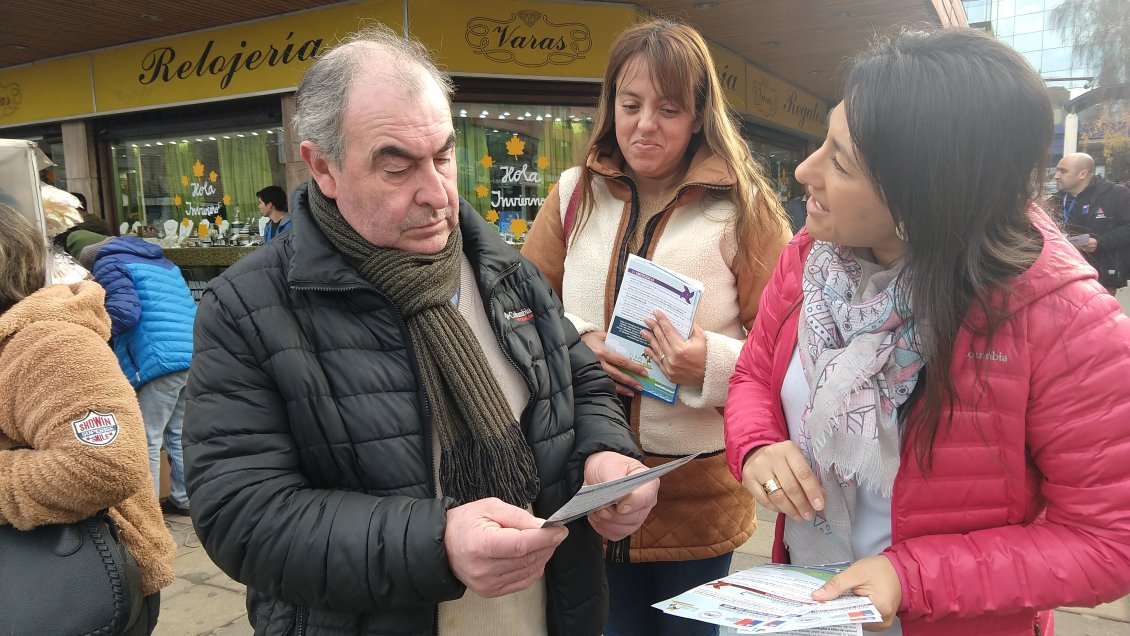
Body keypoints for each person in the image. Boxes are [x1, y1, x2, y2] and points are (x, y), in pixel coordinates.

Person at [182, 24, 658, 636]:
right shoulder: (245, 308)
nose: (436, 194)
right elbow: (242, 516)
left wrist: (608, 457)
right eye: (396, 166)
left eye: (442, 155)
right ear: (321, 166)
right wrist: (437, 544)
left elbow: (581, 382)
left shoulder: (503, 269)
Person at [725, 28, 1130, 636]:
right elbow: (754, 375)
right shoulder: (810, 260)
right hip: (805, 609)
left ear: (924, 195)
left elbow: (1107, 540)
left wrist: (910, 578)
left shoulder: (1062, 320)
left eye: (839, 161)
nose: (806, 171)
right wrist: (758, 443)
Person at [522, 20, 792, 636]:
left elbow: (786, 345)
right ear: (610, 105)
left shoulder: (743, 211)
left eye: (668, 108)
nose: (645, 124)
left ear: (698, 116)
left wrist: (711, 363)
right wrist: (577, 344)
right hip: (586, 476)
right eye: (631, 104)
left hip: (692, 493)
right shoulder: (573, 195)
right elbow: (522, 308)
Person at [0, 203, 176, 634]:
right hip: (175, 356)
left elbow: (106, 464)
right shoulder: (150, 258)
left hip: (73, 586)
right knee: (166, 438)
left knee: (153, 441)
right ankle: (183, 496)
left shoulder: (49, 342)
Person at [66, 229, 197, 518]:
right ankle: (185, 498)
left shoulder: (107, 264)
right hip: (192, 353)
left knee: (148, 437)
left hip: (158, 358)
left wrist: (88, 328)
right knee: (179, 433)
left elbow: (125, 313)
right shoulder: (163, 262)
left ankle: (147, 513)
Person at [1051, 152, 1130, 292]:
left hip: (1102, 277)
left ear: (1083, 174)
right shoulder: (1054, 201)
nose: (1056, 176)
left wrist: (1099, 242)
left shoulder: (1117, 194)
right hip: (1063, 276)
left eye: (1063, 171)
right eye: (1057, 170)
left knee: (1097, 314)